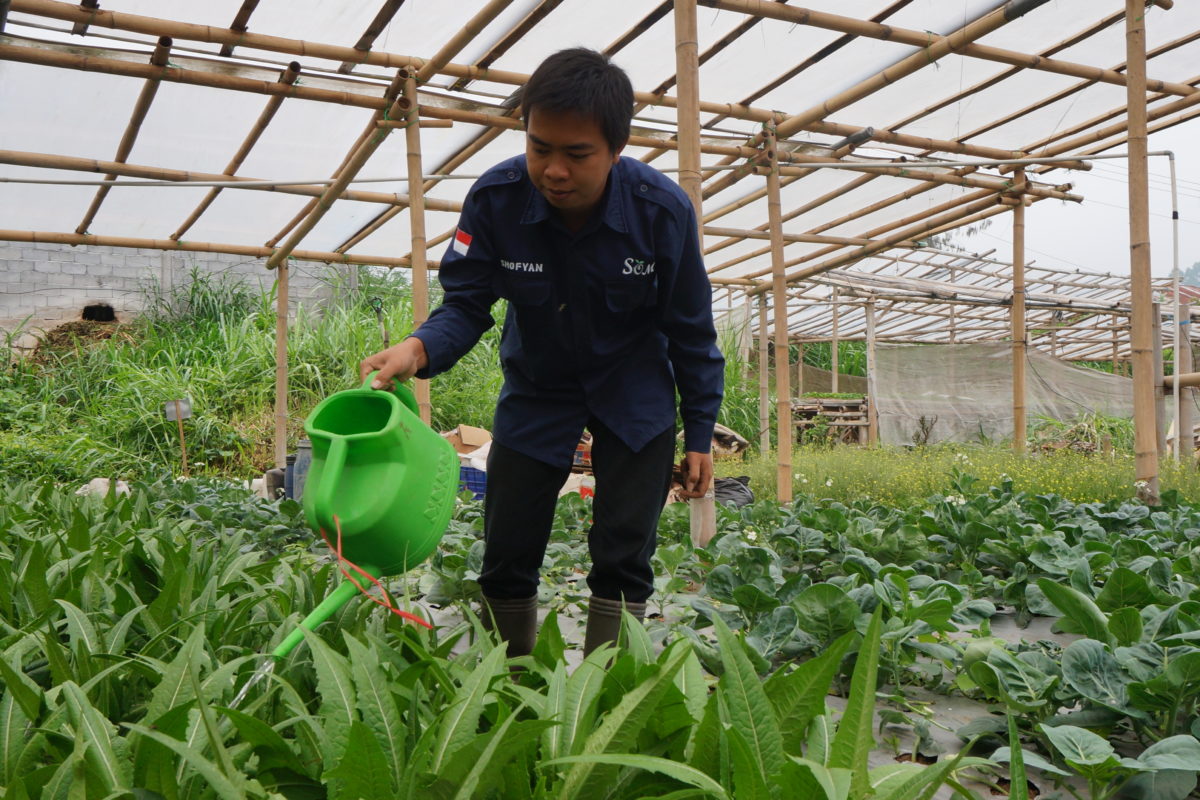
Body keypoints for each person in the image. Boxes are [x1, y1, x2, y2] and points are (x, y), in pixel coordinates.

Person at [359, 47, 724, 657]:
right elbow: (467, 304)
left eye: (576, 154)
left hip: (636, 390)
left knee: (624, 549)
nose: (553, 169)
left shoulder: (661, 212)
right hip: (538, 387)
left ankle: (607, 692)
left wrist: (699, 433)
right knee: (507, 545)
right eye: (539, 148)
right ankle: (507, 685)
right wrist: (416, 350)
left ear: (614, 148)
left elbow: (691, 330)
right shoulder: (496, 200)